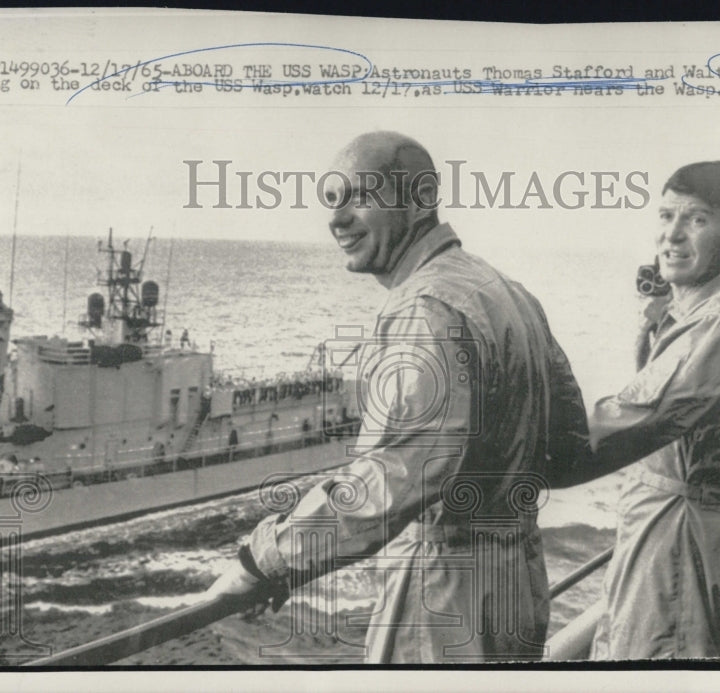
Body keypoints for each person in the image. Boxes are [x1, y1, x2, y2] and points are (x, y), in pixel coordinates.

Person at [205, 131, 591, 663]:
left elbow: (398, 473)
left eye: (359, 196)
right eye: (331, 200)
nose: (337, 219)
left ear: (421, 199)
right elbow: (568, 445)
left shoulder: (423, 307)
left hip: (441, 597)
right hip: (517, 579)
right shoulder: (507, 291)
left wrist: (264, 562)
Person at [576, 161, 720, 659]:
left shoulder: (719, 326)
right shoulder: (709, 310)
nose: (672, 236)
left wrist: (515, 440)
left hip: (678, 543)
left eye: (697, 220)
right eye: (665, 217)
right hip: (679, 530)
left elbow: (627, 421)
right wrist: (662, 312)